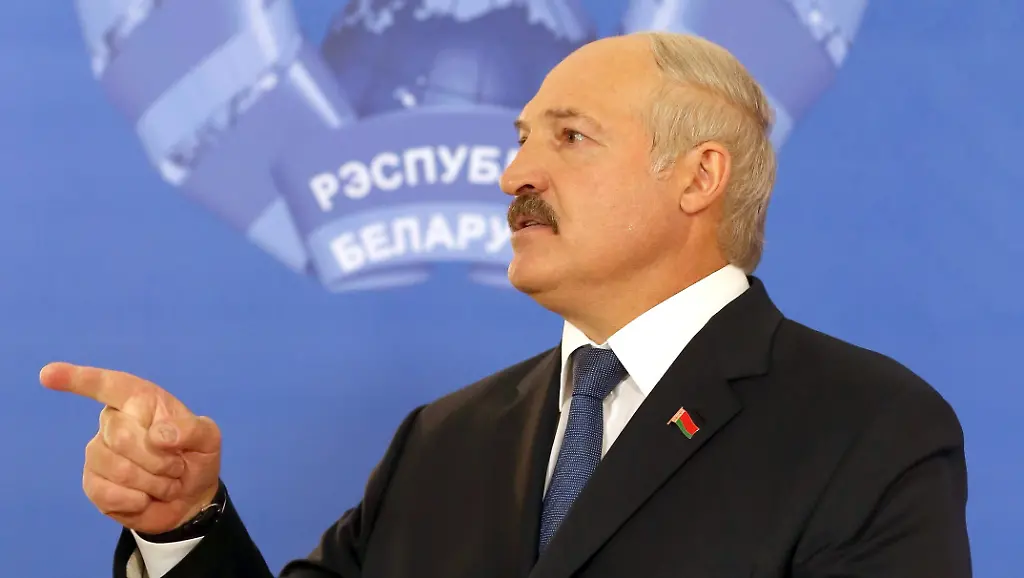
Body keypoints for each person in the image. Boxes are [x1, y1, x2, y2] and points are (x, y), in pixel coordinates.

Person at [40, 32, 972, 578]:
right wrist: (184, 521)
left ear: (698, 177)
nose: (514, 173)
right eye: (522, 138)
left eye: (569, 138)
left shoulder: (866, 427)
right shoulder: (442, 442)